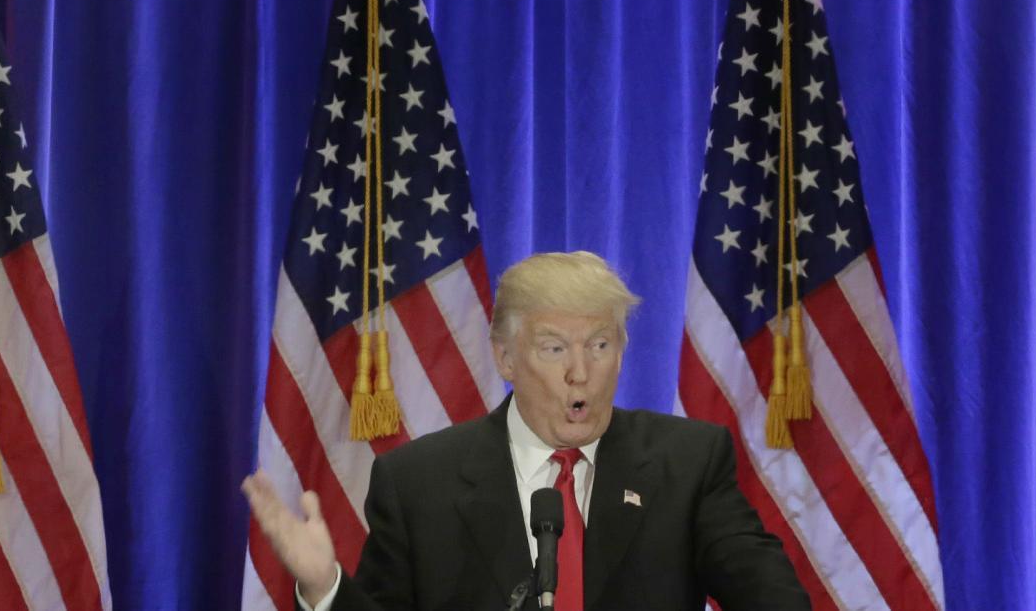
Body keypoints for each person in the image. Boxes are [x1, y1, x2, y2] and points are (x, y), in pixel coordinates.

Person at [243, 251, 809, 611]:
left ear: (623, 350)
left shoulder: (688, 462)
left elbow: (773, 599)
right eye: (554, 348)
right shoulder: (419, 483)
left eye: (600, 345)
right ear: (506, 358)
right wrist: (325, 588)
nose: (579, 371)